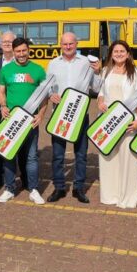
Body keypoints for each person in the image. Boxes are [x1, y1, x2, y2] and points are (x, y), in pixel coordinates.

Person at [45, 32, 100, 204]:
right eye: (65, 44)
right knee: (58, 156)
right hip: (60, 116)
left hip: (80, 114)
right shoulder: (53, 64)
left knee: (81, 155)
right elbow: (48, 86)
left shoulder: (86, 63)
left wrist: (98, 72)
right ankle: (59, 188)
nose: (68, 47)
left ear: (77, 44)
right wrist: (51, 94)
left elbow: (96, 88)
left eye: (71, 44)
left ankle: (78, 188)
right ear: (60, 45)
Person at [96, 40, 137, 209]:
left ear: (128, 53)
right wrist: (101, 102)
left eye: (122, 51)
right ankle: (110, 195)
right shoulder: (105, 71)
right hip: (108, 120)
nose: (118, 54)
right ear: (111, 53)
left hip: (128, 120)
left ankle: (127, 198)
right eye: (115, 51)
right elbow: (101, 93)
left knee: (129, 159)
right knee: (108, 156)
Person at [0, 37, 48, 204]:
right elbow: (1, 92)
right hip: (11, 121)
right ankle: (9, 189)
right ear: (13, 51)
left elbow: (44, 97)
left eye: (24, 50)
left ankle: (33, 189)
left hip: (30, 122)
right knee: (9, 155)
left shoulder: (39, 70)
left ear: (28, 50)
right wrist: (2, 106)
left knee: (32, 157)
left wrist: (40, 115)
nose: (21, 54)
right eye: (18, 51)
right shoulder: (5, 70)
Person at [0, 30, 22, 191]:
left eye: (10, 41)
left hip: (17, 109)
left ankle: (21, 176)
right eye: (4, 42)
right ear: (0, 44)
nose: (7, 44)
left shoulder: (22, 63)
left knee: (19, 144)